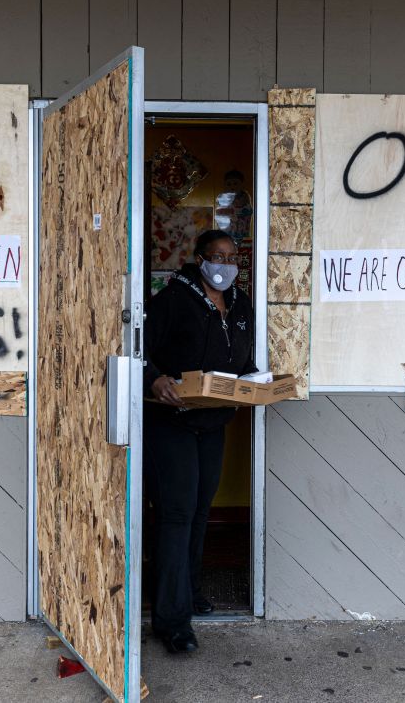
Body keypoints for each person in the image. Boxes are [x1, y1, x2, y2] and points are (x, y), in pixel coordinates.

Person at [143, 229, 257, 654]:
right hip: (170, 422)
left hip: (212, 423)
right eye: (216, 256)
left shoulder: (240, 304)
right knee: (176, 513)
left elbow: (243, 361)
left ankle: (188, 592)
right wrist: (154, 380)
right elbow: (137, 349)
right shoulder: (172, 300)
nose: (225, 265)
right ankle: (172, 623)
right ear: (199, 259)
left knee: (199, 511)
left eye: (232, 257)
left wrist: (253, 383)